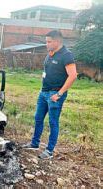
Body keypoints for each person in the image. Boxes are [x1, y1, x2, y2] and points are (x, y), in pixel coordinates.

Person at [22, 30, 77, 159]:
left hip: (55, 94)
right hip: (44, 92)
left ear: (57, 41)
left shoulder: (66, 55)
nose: (46, 44)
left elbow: (73, 75)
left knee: (53, 122)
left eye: (49, 42)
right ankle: (34, 143)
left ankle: (49, 151)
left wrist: (59, 93)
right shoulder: (50, 54)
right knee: (38, 118)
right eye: (46, 41)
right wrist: (42, 89)